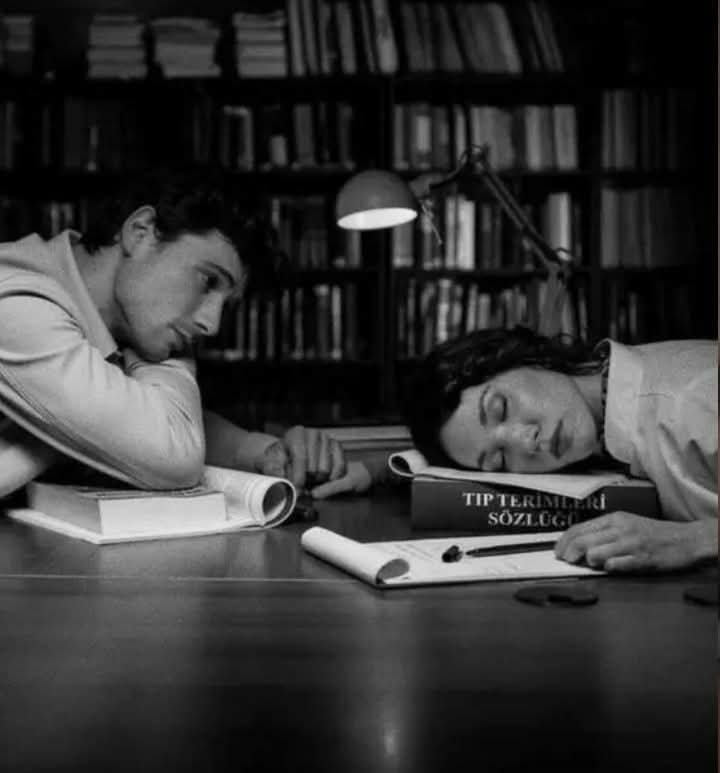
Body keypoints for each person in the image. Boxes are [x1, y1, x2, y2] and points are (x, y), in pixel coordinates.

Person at [0, 168, 348, 500]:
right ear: (141, 232)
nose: (212, 324)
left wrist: (266, 451)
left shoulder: (97, 315)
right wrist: (169, 357)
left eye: (226, 305)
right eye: (208, 281)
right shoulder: (16, 303)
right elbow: (174, 452)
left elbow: (129, 415)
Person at [403, 326, 717, 572]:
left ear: (526, 359)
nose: (525, 442)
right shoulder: (605, 417)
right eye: (500, 459)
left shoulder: (694, 403)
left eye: (502, 408)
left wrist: (691, 541)